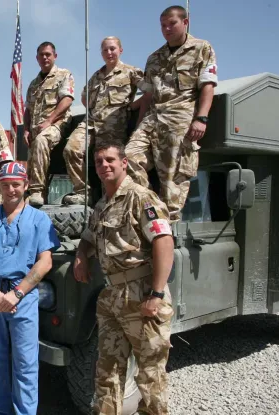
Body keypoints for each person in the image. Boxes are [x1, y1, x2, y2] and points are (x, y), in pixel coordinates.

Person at [73, 141, 174, 415]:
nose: (104, 165)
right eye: (98, 162)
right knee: (107, 371)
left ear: (124, 163)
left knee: (150, 374)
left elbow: (164, 242)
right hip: (112, 296)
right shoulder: (102, 204)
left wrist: (156, 294)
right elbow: (88, 237)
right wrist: (81, 255)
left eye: (110, 160)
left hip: (140, 294)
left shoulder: (142, 197)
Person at [0, 161, 60, 415]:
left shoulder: (39, 220)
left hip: (24, 295)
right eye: (6, 185)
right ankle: (1, 409)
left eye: (16, 185)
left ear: (26, 185)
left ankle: (24, 412)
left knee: (25, 360)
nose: (11, 190)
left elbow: (45, 261)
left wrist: (17, 293)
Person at [125, 5, 218, 223]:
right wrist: (139, 125)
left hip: (180, 118)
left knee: (171, 180)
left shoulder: (201, 48)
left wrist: (201, 118)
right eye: (163, 25)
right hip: (153, 118)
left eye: (172, 23)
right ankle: (149, 209)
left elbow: (208, 85)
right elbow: (147, 95)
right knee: (128, 158)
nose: (167, 29)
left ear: (185, 22)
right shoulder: (154, 57)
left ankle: (170, 228)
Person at [62, 36, 144, 206]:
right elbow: (84, 97)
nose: (109, 52)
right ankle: (82, 192)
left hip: (112, 126)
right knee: (71, 149)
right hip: (91, 122)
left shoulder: (131, 72)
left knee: (106, 163)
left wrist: (130, 107)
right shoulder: (96, 77)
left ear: (120, 50)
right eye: (105, 50)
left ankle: (110, 201)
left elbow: (150, 92)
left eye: (112, 48)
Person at [24, 41, 75, 206]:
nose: (45, 57)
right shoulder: (33, 84)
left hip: (57, 124)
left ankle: (37, 191)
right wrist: (25, 130)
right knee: (33, 159)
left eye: (48, 54)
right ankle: (37, 197)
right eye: (41, 55)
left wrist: (49, 120)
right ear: (37, 58)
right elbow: (28, 110)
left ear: (55, 56)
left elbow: (67, 99)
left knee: (41, 140)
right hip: (36, 128)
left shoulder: (63, 74)